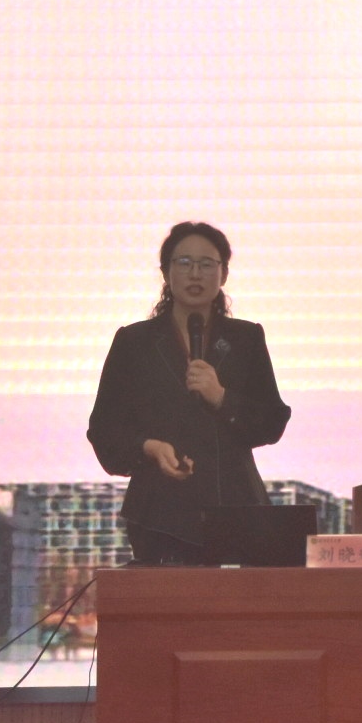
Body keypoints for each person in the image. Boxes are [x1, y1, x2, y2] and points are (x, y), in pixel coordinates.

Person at [87, 221, 293, 565]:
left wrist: (222, 398)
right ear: (165, 273)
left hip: (236, 510)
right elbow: (105, 430)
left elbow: (271, 421)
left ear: (223, 274)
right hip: (159, 516)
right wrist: (150, 448)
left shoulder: (246, 339)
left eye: (206, 264)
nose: (195, 274)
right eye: (184, 263)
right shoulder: (134, 342)